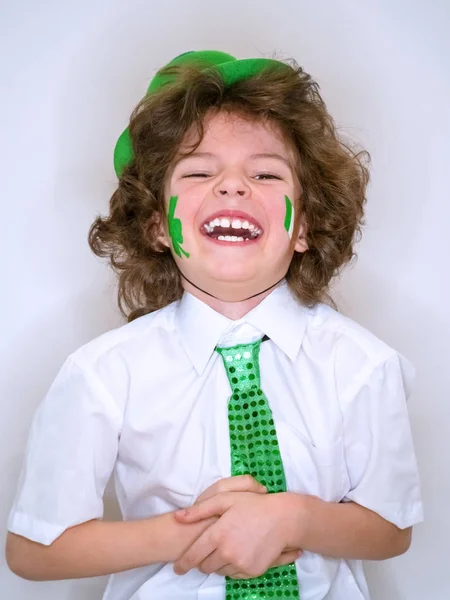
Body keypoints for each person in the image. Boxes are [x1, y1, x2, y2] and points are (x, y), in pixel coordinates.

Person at [6, 50, 423, 600]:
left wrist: (289, 519)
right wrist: (192, 533)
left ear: (306, 226)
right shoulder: (103, 374)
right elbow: (34, 550)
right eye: (200, 171)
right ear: (157, 224)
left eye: (265, 173)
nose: (232, 186)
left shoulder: (364, 366)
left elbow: (391, 528)